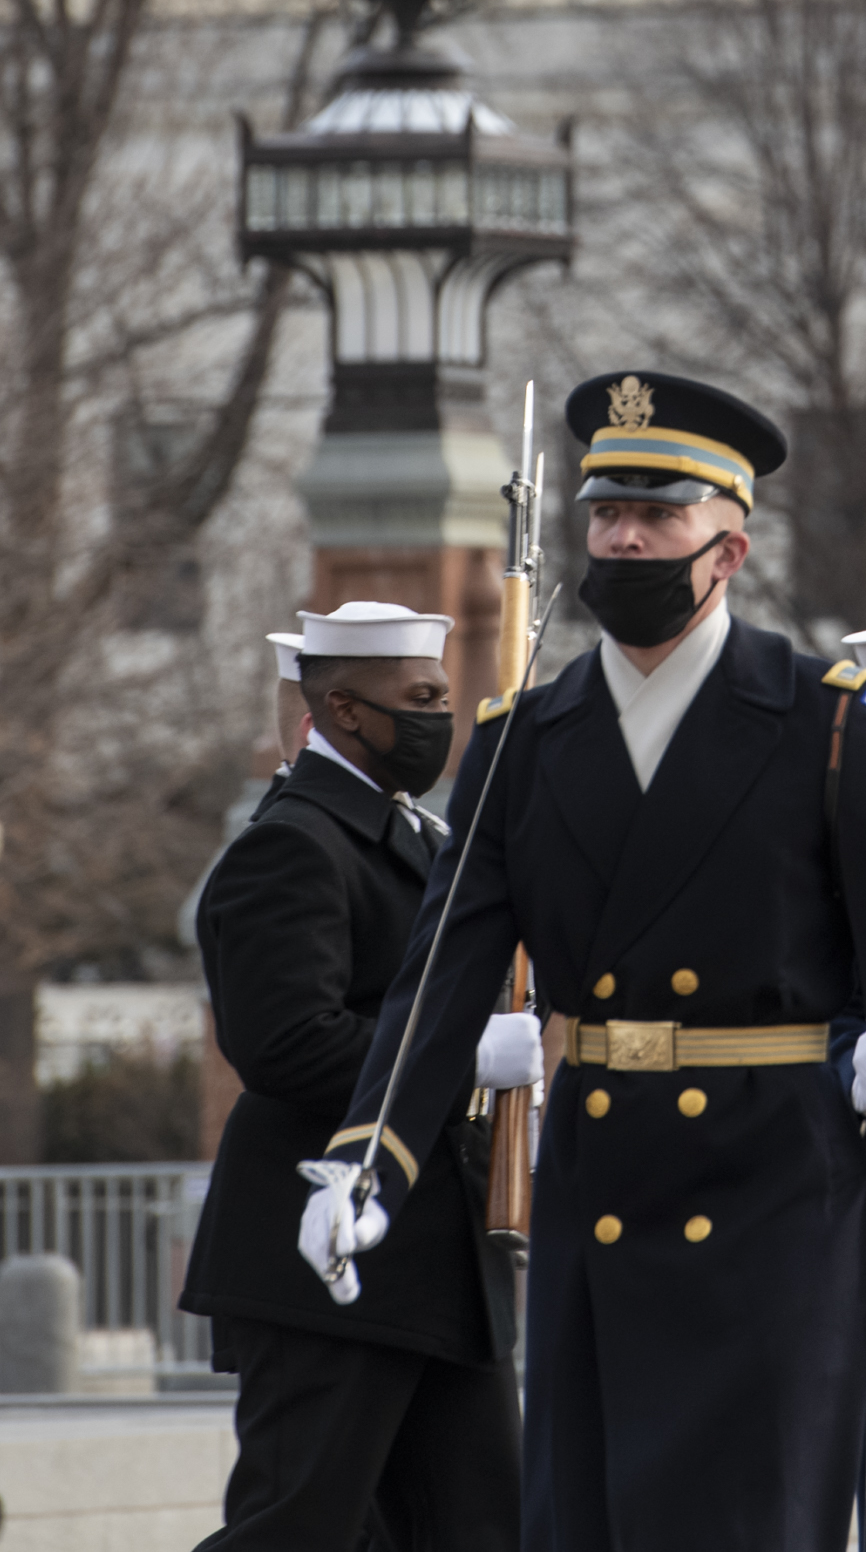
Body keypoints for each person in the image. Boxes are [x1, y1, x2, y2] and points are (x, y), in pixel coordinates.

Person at [309, 369, 866, 1552]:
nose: (622, 541)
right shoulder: (524, 738)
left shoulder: (826, 723)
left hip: (771, 1196)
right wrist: (371, 1160)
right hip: (598, 1186)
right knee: (593, 1521)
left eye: (657, 517)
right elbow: (443, 972)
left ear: (728, 545)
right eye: (607, 515)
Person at [180, 603, 522, 1550]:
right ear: (343, 708)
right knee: (297, 1528)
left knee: (484, 1529)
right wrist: (462, 1059)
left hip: (431, 1260)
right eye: (417, 699)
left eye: (441, 697)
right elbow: (284, 1042)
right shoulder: (293, 843)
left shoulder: (418, 836)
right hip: (323, 1255)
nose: (436, 718)